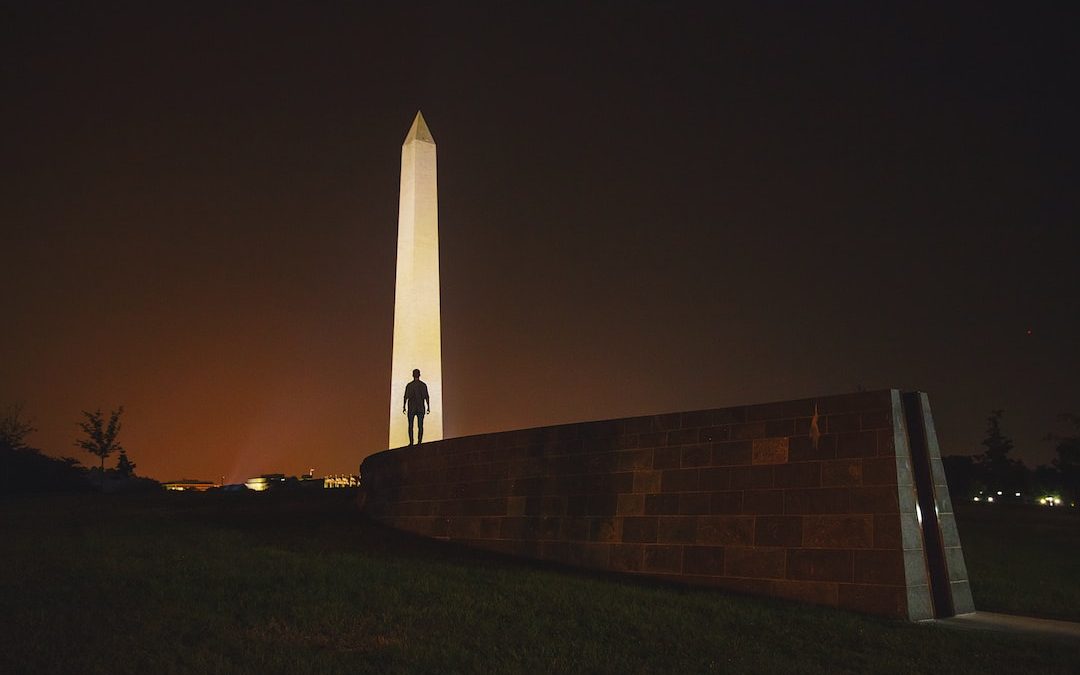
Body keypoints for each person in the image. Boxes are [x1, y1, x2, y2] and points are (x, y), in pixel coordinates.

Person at [402, 368, 430, 445]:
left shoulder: (410, 385)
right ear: (419, 375)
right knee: (420, 426)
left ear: (413, 375)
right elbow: (427, 397)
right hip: (420, 408)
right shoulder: (423, 385)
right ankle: (419, 442)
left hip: (412, 408)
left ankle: (412, 442)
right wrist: (428, 407)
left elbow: (405, 397)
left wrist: (404, 406)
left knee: (411, 426)